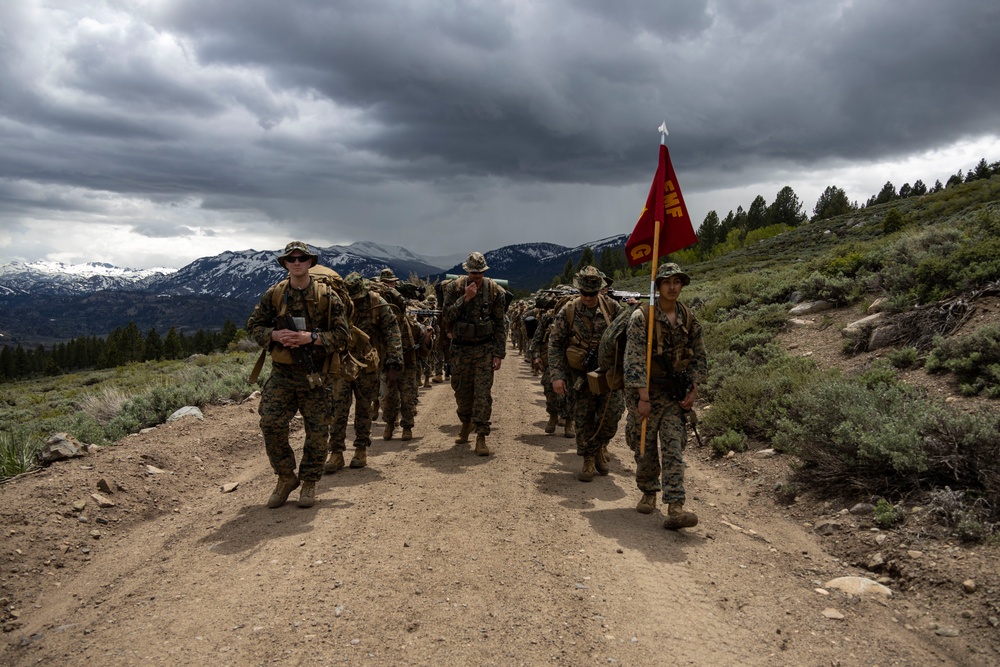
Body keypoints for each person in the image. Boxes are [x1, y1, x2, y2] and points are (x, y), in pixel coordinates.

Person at [246, 241, 350, 509]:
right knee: (270, 423)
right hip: (283, 373)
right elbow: (254, 325)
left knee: (317, 431)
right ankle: (285, 477)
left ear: (310, 262)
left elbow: (342, 336)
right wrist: (274, 335)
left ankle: (309, 482)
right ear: (285, 264)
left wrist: (311, 338)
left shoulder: (328, 297)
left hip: (316, 374)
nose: (296, 262)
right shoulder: (276, 294)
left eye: (301, 258)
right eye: (291, 259)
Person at [623, 263, 707, 529]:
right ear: (658, 286)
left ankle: (675, 506)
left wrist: (694, 389)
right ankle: (648, 491)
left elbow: (699, 355)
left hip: (673, 396)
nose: (673, 287)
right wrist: (643, 397)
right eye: (667, 282)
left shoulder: (688, 317)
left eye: (677, 282)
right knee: (645, 446)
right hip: (646, 392)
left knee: (673, 446)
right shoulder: (642, 318)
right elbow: (633, 359)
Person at [548, 266, 623, 481]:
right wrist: (557, 376)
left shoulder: (612, 308)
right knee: (583, 418)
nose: (588, 297)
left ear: (600, 290)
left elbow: (627, 337)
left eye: (593, 293)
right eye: (584, 293)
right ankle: (588, 458)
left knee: (612, 414)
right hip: (579, 376)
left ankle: (599, 446)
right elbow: (555, 345)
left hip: (608, 375)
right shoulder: (569, 311)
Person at [326, 272, 403, 472]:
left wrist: (394, 362)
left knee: (364, 407)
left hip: (367, 363)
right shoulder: (337, 302)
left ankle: (361, 449)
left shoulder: (377, 303)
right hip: (342, 362)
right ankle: (336, 452)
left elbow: (393, 332)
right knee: (338, 407)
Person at [441, 252, 507, 456]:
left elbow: (500, 324)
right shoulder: (454, 288)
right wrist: (465, 298)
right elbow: (446, 316)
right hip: (460, 349)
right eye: (473, 273)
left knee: (482, 394)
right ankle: (466, 423)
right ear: (466, 271)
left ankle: (481, 435)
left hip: (484, 349)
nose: (476, 276)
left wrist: (498, 353)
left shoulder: (495, 291)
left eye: (480, 273)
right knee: (461, 392)